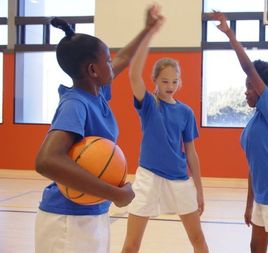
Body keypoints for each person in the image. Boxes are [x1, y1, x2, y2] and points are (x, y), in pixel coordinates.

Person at [34, 6, 161, 253]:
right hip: (66, 221)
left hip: (91, 212)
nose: (114, 65)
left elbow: (123, 58)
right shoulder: (75, 104)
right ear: (93, 70)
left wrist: (147, 30)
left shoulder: (97, 93)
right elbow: (46, 160)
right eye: (108, 62)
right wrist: (115, 193)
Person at [120, 5, 208, 253]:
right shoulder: (148, 104)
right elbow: (134, 74)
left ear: (180, 82)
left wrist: (199, 190)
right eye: (164, 80)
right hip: (148, 177)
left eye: (174, 81)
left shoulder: (186, 112)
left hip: (180, 179)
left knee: (198, 239)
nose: (170, 85)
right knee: (131, 244)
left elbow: (191, 153)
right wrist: (149, 32)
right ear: (155, 81)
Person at [210, 11, 268, 253]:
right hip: (262, 196)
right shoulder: (253, 122)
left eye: (250, 86)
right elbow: (253, 166)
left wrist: (229, 33)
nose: (246, 91)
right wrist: (249, 204)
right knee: (255, 248)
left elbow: (248, 68)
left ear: (264, 89)